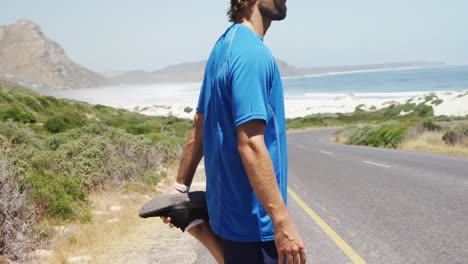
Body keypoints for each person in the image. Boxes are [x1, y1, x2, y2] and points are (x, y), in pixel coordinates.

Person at [161, 0, 306, 263]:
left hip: (230, 218)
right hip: (255, 224)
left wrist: (180, 188)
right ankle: (197, 226)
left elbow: (200, 123)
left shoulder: (223, 47)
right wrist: (282, 223)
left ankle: (197, 225)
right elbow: (250, 144)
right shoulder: (252, 55)